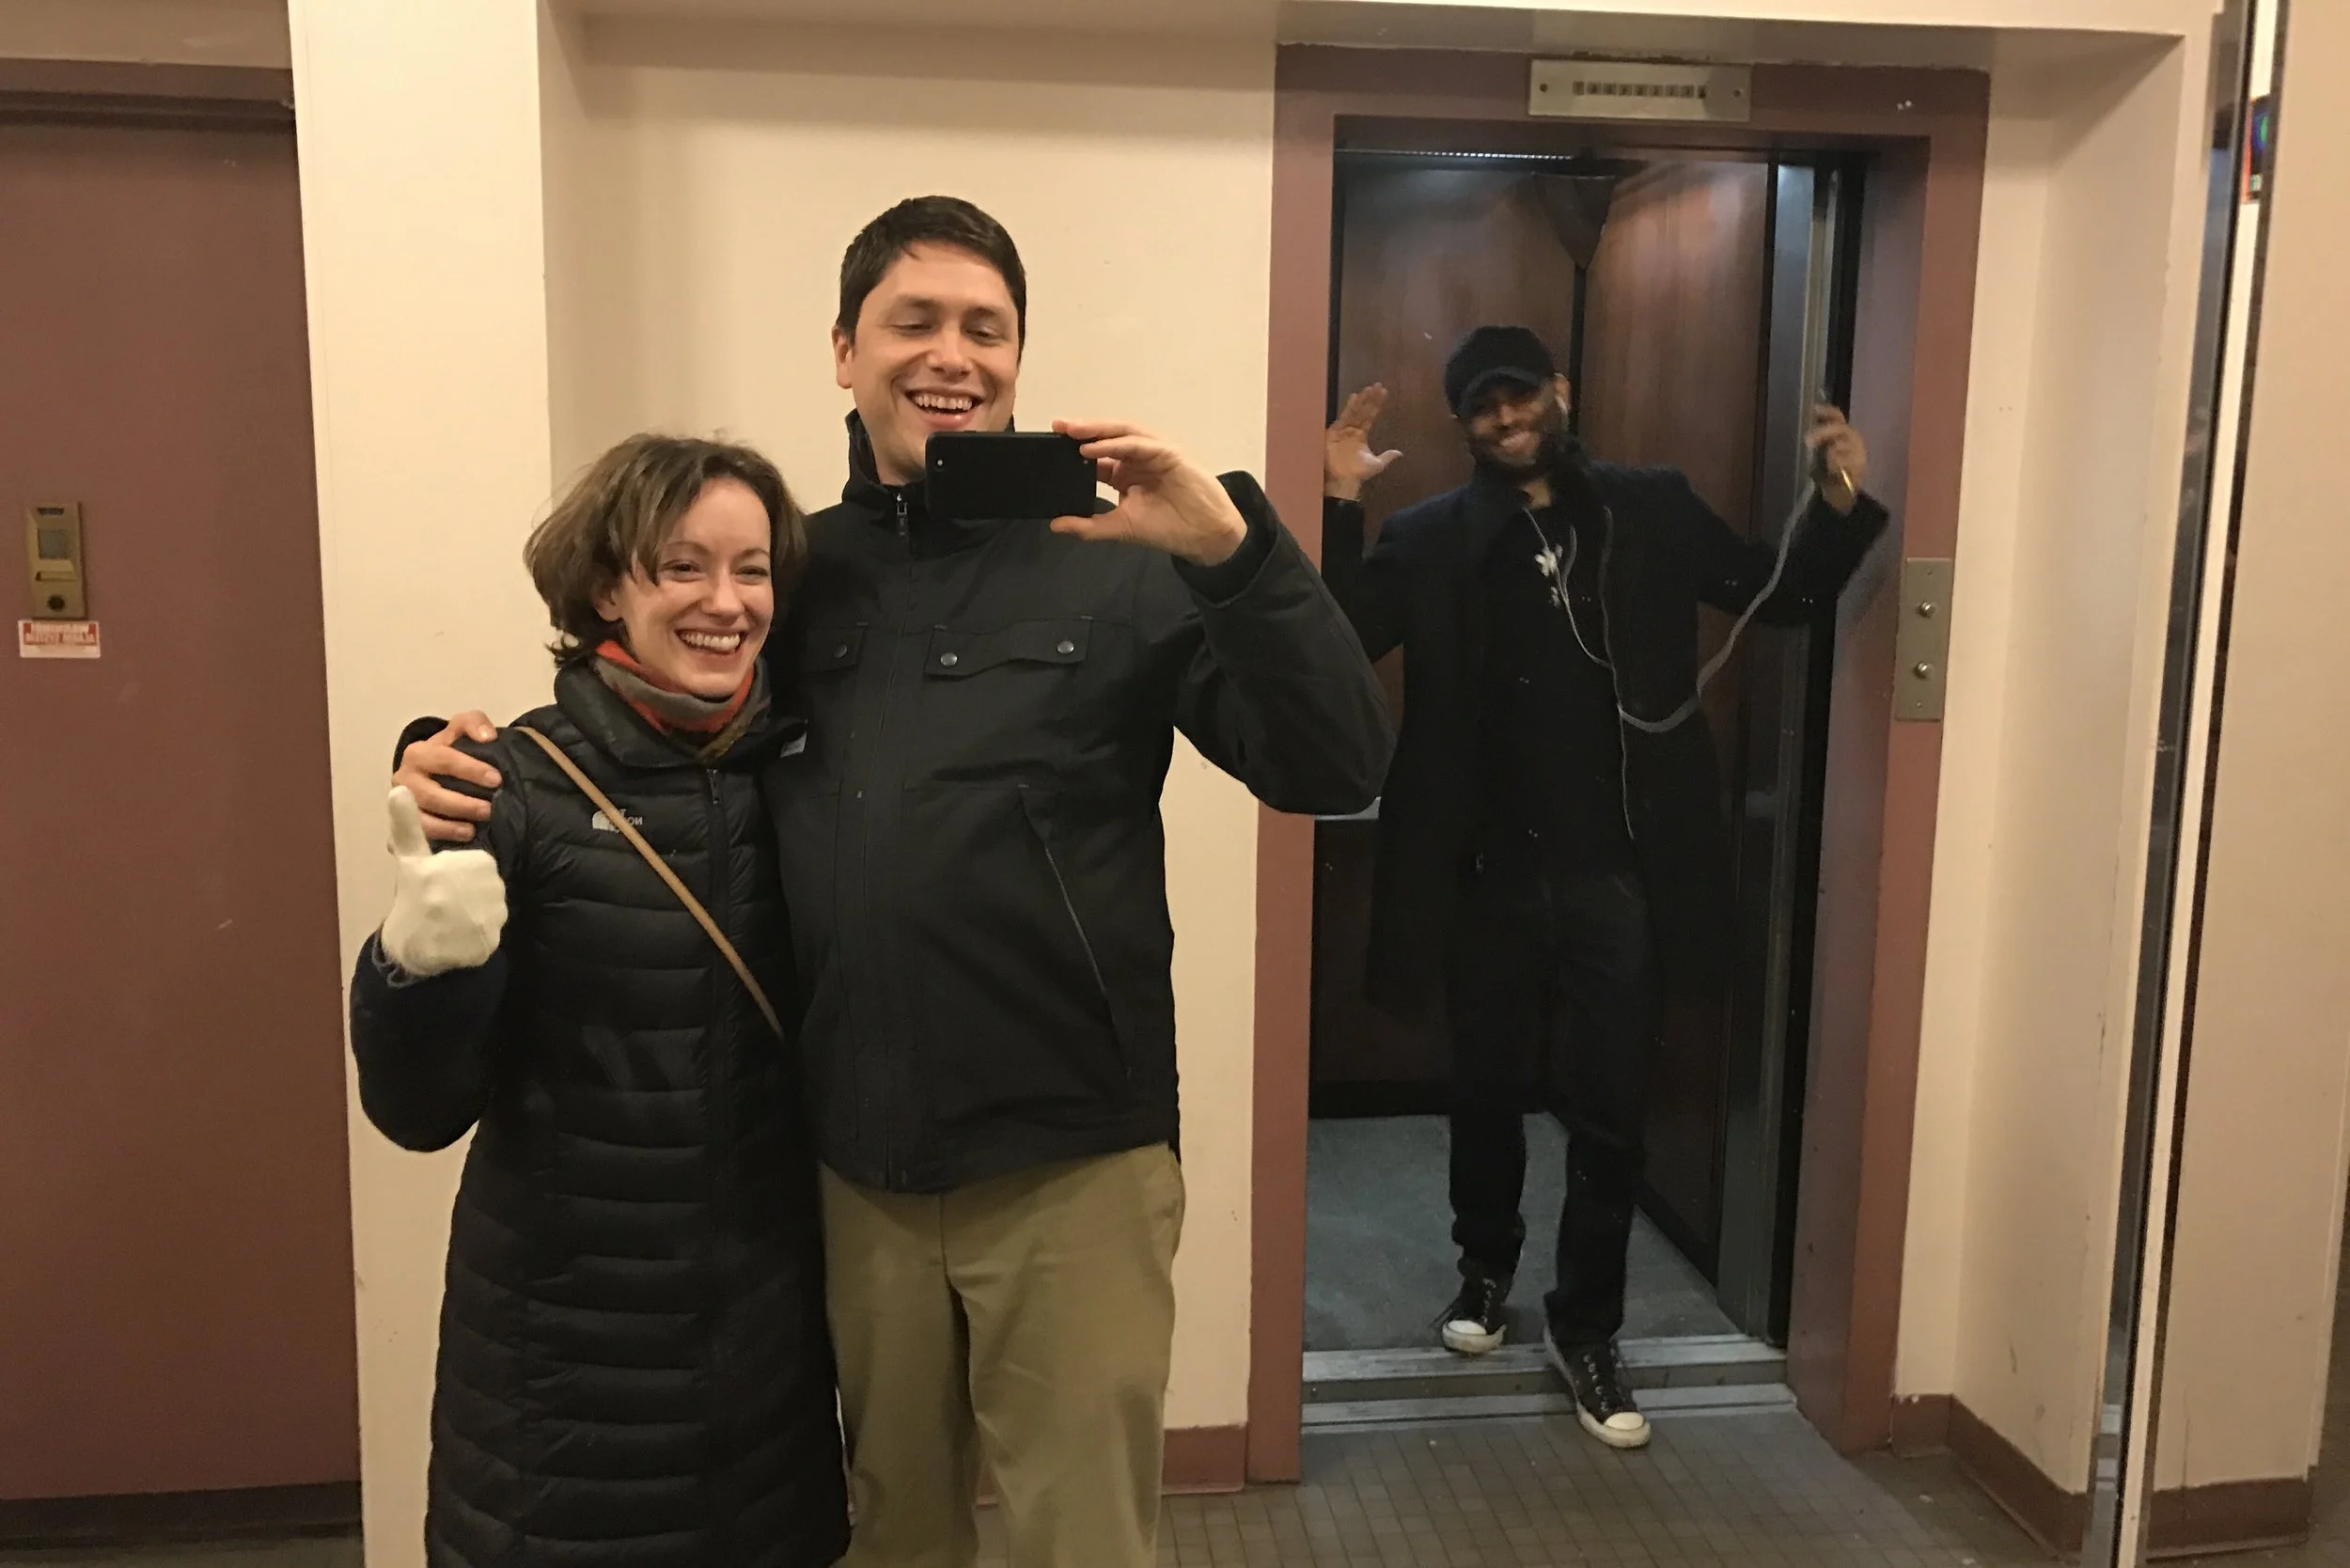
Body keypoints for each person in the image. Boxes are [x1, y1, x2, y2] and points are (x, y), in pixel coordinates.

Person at [390, 196, 1393, 1568]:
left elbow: (1337, 765)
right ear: (844, 351)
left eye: (988, 328)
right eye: (914, 320)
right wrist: (460, 768)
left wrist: (1233, 554)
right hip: (851, 1167)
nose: (953, 354)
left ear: (1019, 358)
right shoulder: (799, 574)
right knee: (893, 1534)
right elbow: (664, 733)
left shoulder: (1125, 561)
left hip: (1071, 1170)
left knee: (1080, 1544)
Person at [1319, 325, 1886, 1451]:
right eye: (1482, 405)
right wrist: (1339, 505)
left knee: (1610, 1112)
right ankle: (1483, 1273)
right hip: (1485, 873)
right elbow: (1337, 644)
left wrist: (1835, 502)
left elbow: (1772, 597)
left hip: (1619, 874)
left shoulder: (1649, 506)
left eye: (1520, 394)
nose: (1505, 417)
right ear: (1463, 422)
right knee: (1482, 1088)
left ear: (1560, 391)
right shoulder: (1432, 540)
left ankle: (1589, 1327)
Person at [349, 435, 849, 1568]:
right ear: (606, 586)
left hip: (764, 1365)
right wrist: (409, 967)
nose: (726, 602)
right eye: (683, 566)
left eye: (753, 569)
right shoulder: (509, 786)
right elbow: (418, 1110)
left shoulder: (812, 777)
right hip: (563, 1376)